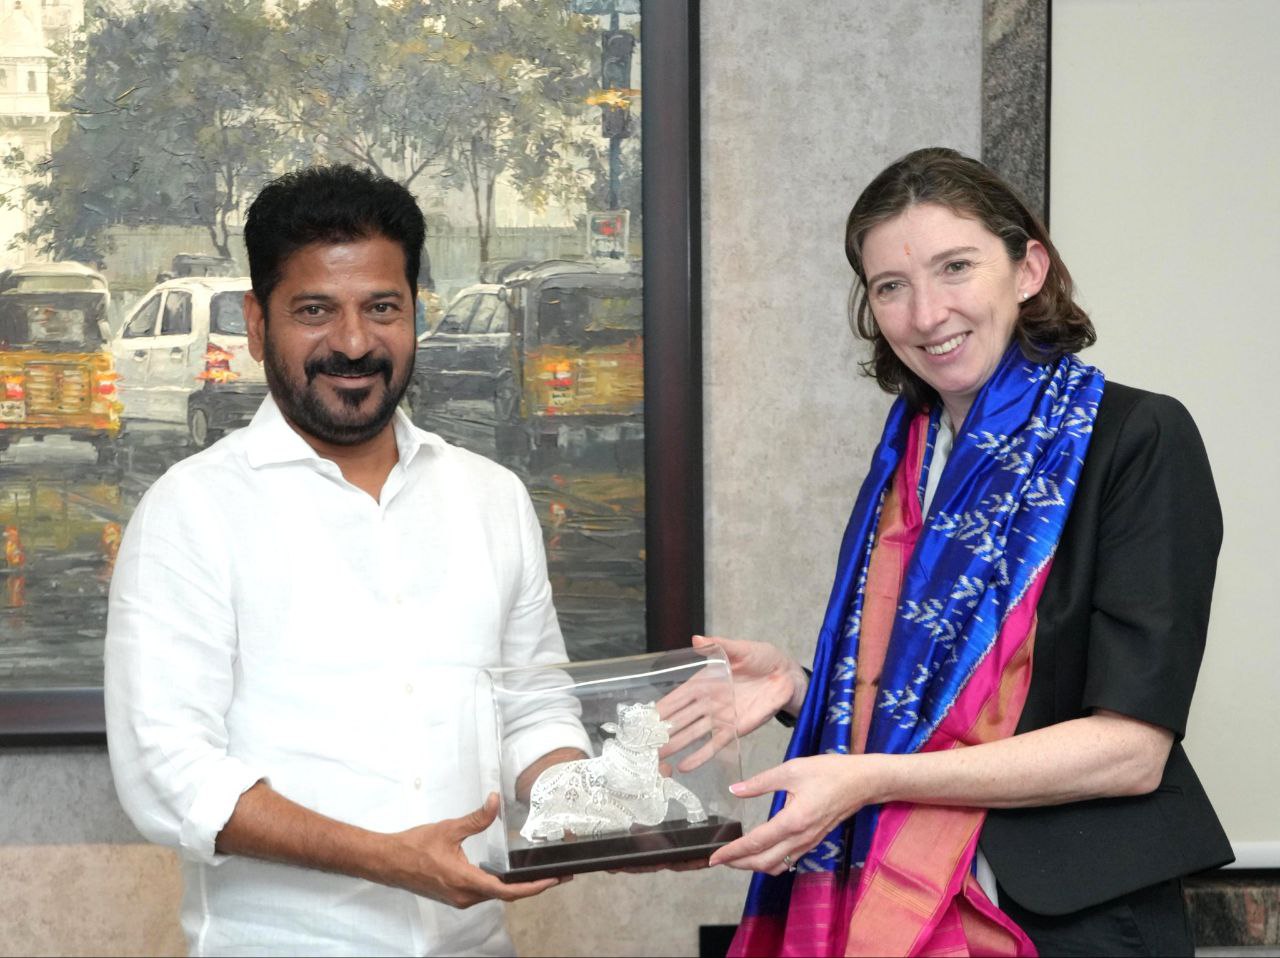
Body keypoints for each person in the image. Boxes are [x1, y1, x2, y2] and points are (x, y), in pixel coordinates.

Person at [676, 148, 1232, 956]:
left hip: (1066, 918)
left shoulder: (1136, 437)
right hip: (890, 892)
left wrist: (870, 778)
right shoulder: (908, 457)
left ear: (1029, 268)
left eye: (956, 267)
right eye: (891, 286)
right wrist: (805, 688)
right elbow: (927, 698)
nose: (927, 313)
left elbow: (1130, 751)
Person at [104, 165, 588, 956]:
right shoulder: (190, 512)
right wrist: (388, 861)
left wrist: (605, 806)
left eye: (382, 308)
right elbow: (170, 775)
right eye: (315, 310)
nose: (355, 342)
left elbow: (533, 712)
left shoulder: (491, 497)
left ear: (415, 315)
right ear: (259, 324)